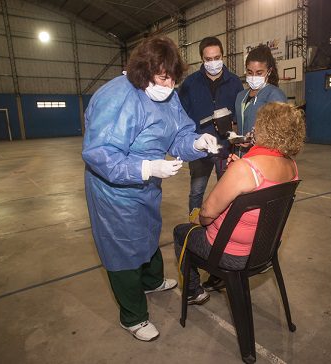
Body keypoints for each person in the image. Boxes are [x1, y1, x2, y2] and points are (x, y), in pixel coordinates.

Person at [82, 36, 220, 342]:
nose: (169, 85)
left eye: (173, 78)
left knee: (147, 232)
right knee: (122, 248)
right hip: (114, 192)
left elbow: (180, 133)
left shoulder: (167, 95)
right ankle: (132, 316)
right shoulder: (116, 97)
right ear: (143, 71)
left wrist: (197, 142)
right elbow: (100, 153)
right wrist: (145, 168)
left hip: (147, 187)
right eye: (162, 77)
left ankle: (152, 280)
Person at [173, 102, 305, 304]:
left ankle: (192, 291)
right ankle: (217, 279)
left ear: (265, 128)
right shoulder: (291, 166)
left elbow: (208, 213)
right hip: (263, 249)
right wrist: (237, 172)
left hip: (232, 253)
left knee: (182, 231)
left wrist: (200, 221)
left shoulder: (246, 168)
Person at [178, 37, 244, 216]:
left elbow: (239, 116)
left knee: (227, 190)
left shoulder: (234, 82)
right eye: (208, 59)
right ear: (202, 59)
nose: (213, 62)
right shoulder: (190, 84)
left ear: (223, 56)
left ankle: (223, 225)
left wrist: (235, 134)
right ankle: (193, 224)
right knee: (196, 191)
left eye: (217, 57)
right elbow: (180, 114)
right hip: (199, 149)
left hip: (225, 147)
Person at [234, 44, 287, 154]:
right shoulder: (240, 96)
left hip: (263, 157)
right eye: (249, 72)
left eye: (259, 73)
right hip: (241, 156)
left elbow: (281, 132)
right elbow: (237, 125)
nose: (253, 77)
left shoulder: (275, 95)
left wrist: (254, 139)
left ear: (269, 71)